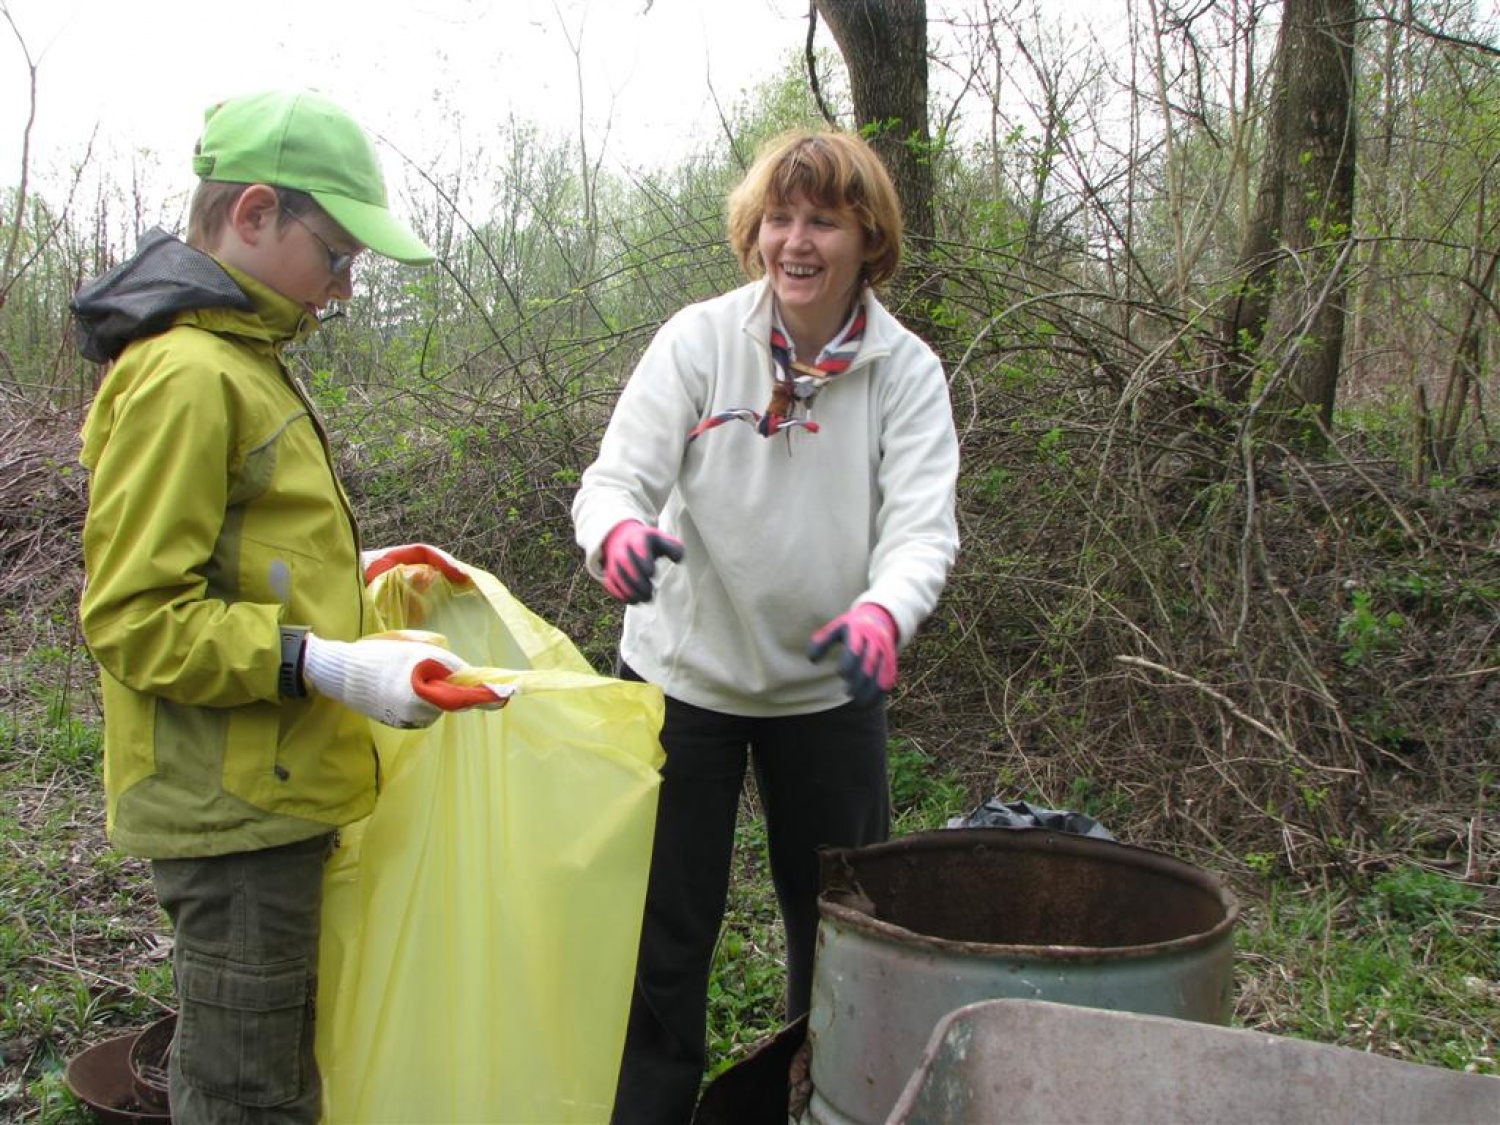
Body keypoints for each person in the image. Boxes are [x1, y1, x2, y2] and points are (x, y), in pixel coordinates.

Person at [72, 90, 503, 1124]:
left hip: (268, 797)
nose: (346, 288)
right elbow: (136, 616)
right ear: (256, 213)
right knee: (249, 1097)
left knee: (272, 1070)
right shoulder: (190, 374)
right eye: (339, 255)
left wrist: (352, 574)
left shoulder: (238, 359)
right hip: (233, 816)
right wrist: (332, 663)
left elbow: (232, 558)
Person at [571, 128, 960, 1124]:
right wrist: (614, 532)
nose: (797, 240)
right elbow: (617, 479)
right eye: (779, 218)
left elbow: (922, 533)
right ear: (754, 232)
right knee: (661, 935)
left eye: (823, 219)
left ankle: (820, 1104)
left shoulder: (906, 373)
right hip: (678, 679)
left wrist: (885, 612)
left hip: (828, 691)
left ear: (868, 236)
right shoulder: (701, 341)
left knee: (840, 939)